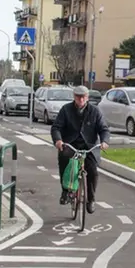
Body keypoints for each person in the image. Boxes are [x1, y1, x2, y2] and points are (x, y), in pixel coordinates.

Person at [51, 85, 110, 213]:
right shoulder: (66, 110)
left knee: (93, 171)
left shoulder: (95, 111)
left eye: (83, 97)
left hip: (89, 146)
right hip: (71, 144)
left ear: (87, 98)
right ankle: (65, 191)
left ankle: (91, 200)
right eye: (78, 97)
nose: (81, 99)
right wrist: (58, 140)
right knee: (64, 161)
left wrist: (104, 141)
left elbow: (103, 129)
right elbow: (56, 127)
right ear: (74, 97)